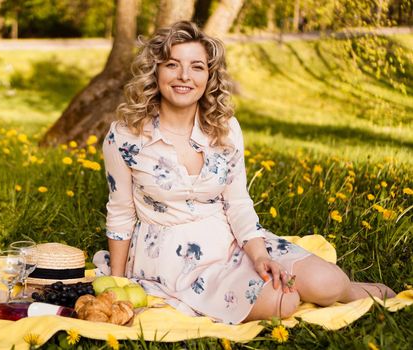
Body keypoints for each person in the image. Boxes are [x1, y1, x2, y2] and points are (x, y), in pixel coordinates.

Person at [94, 21, 396, 324]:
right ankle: (302, 294)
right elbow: (121, 212)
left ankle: (346, 291)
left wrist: (260, 256)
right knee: (284, 301)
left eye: (197, 67)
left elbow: (238, 203)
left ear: (209, 77)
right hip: (175, 260)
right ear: (155, 72)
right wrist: (120, 284)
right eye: (172, 65)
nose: (185, 76)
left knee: (326, 283)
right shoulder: (124, 136)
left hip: (231, 241)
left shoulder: (225, 129)